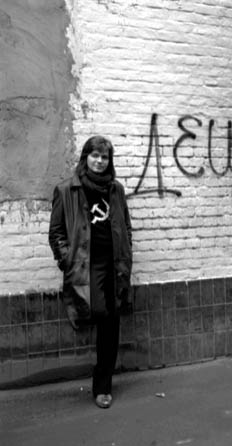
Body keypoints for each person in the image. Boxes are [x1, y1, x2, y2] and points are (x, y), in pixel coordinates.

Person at [49, 135, 132, 409]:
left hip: (114, 265)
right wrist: (67, 261)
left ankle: (103, 386)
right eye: (94, 155)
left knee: (112, 322)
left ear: (109, 161)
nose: (99, 161)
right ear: (86, 158)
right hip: (87, 265)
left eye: (104, 157)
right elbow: (56, 233)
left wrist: (126, 251)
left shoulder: (116, 189)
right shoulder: (67, 190)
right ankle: (100, 376)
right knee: (100, 312)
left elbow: (126, 226)